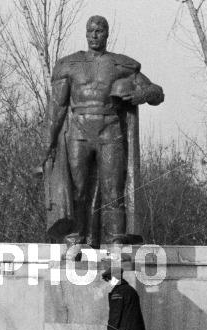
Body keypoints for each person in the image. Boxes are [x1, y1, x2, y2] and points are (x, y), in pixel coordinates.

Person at [44, 15, 164, 247]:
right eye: (90, 31)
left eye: (99, 31)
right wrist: (47, 145)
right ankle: (75, 239)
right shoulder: (70, 65)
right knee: (77, 190)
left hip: (109, 129)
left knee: (113, 189)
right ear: (85, 33)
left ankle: (116, 239)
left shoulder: (121, 65)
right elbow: (57, 109)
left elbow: (156, 92)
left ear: (106, 34)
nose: (94, 35)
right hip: (78, 131)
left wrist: (141, 95)